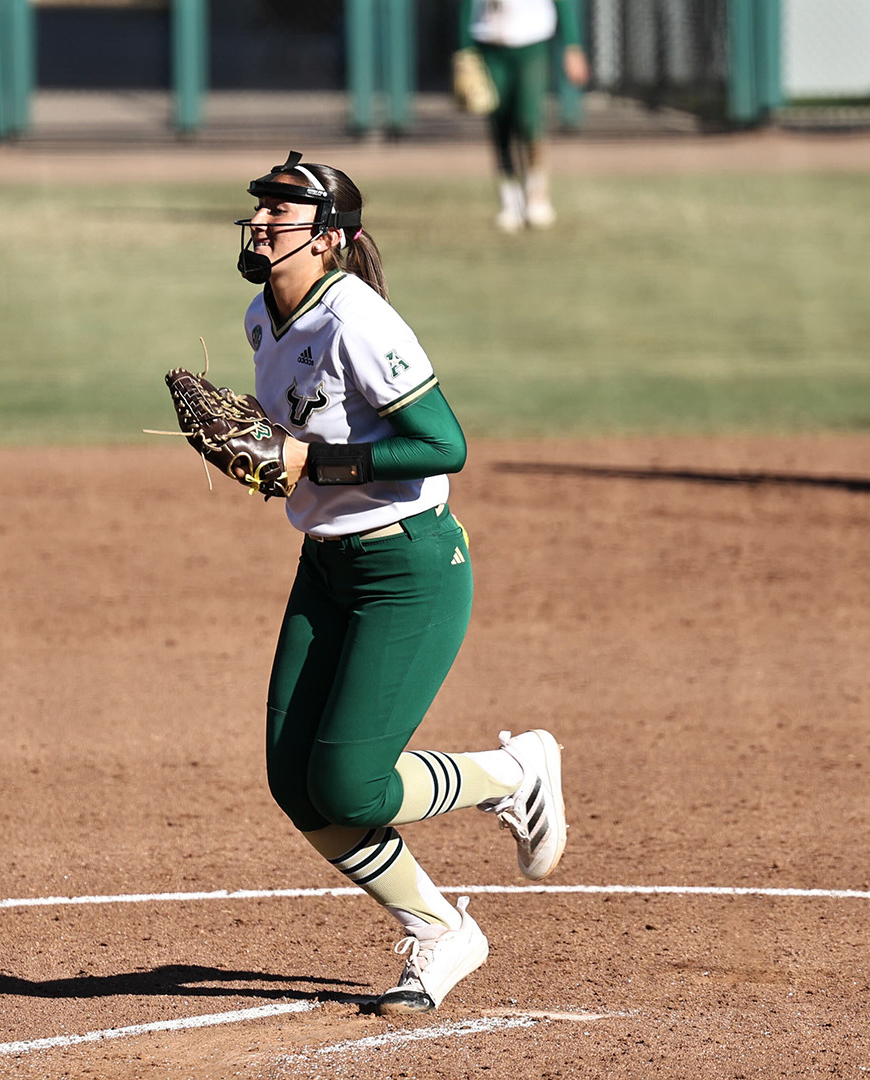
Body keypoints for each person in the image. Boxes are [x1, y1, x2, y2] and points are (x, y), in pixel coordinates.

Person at [231, 152, 569, 1014]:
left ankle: (513, 774)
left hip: (408, 569)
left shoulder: (359, 321)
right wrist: (260, 449)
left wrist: (313, 462)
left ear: (328, 238)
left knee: (351, 786)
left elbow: (444, 445)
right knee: (294, 781)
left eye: (282, 212)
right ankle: (440, 929)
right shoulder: (262, 318)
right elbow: (294, 432)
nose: (262, 221)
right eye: (260, 208)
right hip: (325, 568)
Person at [454, 0, 590, 231]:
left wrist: (572, 44)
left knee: (529, 119)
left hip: (531, 39)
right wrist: (464, 49)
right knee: (500, 122)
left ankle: (537, 193)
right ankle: (510, 199)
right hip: (489, 40)